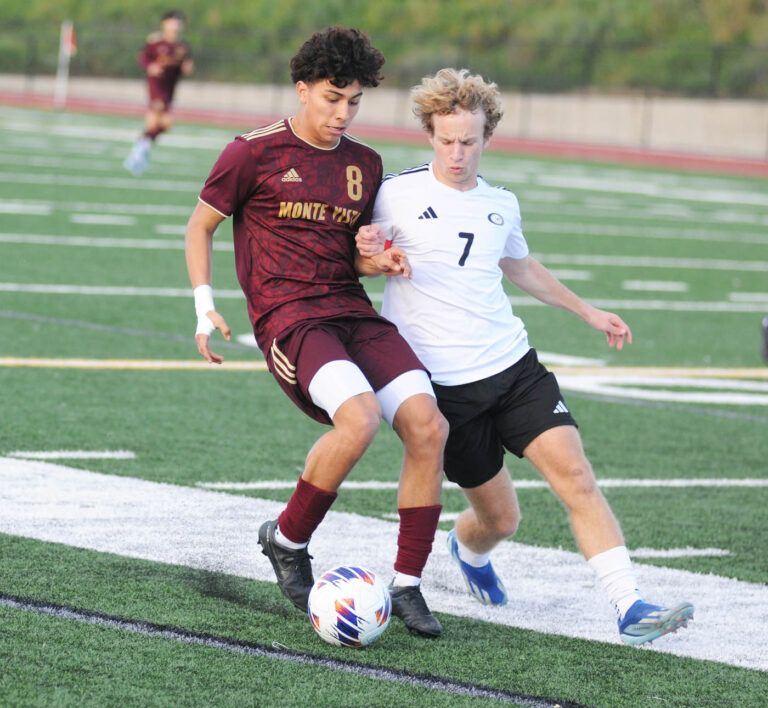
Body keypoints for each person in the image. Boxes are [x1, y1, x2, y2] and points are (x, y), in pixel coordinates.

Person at [357, 68, 694, 646]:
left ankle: (628, 605)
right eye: (446, 140)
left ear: (488, 137)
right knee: (501, 520)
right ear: (429, 134)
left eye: (469, 141)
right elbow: (358, 261)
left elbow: (519, 267)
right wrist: (374, 259)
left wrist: (588, 311)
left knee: (576, 476)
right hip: (443, 389)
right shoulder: (395, 192)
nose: (457, 153)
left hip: (513, 368)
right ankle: (467, 548)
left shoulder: (500, 204)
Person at [184, 27, 448, 638]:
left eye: (353, 101)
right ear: (301, 90)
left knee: (428, 425)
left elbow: (349, 253)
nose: (342, 112)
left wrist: (376, 261)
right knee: (356, 419)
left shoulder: (364, 164)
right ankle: (287, 538)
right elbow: (199, 228)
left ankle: (407, 584)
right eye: (332, 98)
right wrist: (205, 305)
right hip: (289, 316)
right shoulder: (251, 153)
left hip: (350, 310)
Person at [124, 10, 193, 176]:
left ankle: (140, 149)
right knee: (167, 121)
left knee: (156, 125)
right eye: (172, 21)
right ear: (165, 24)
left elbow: (186, 66)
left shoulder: (183, 46)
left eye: (178, 22)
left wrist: (187, 69)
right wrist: (150, 67)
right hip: (156, 86)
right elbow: (143, 58)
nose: (175, 25)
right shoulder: (155, 42)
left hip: (169, 88)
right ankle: (140, 149)